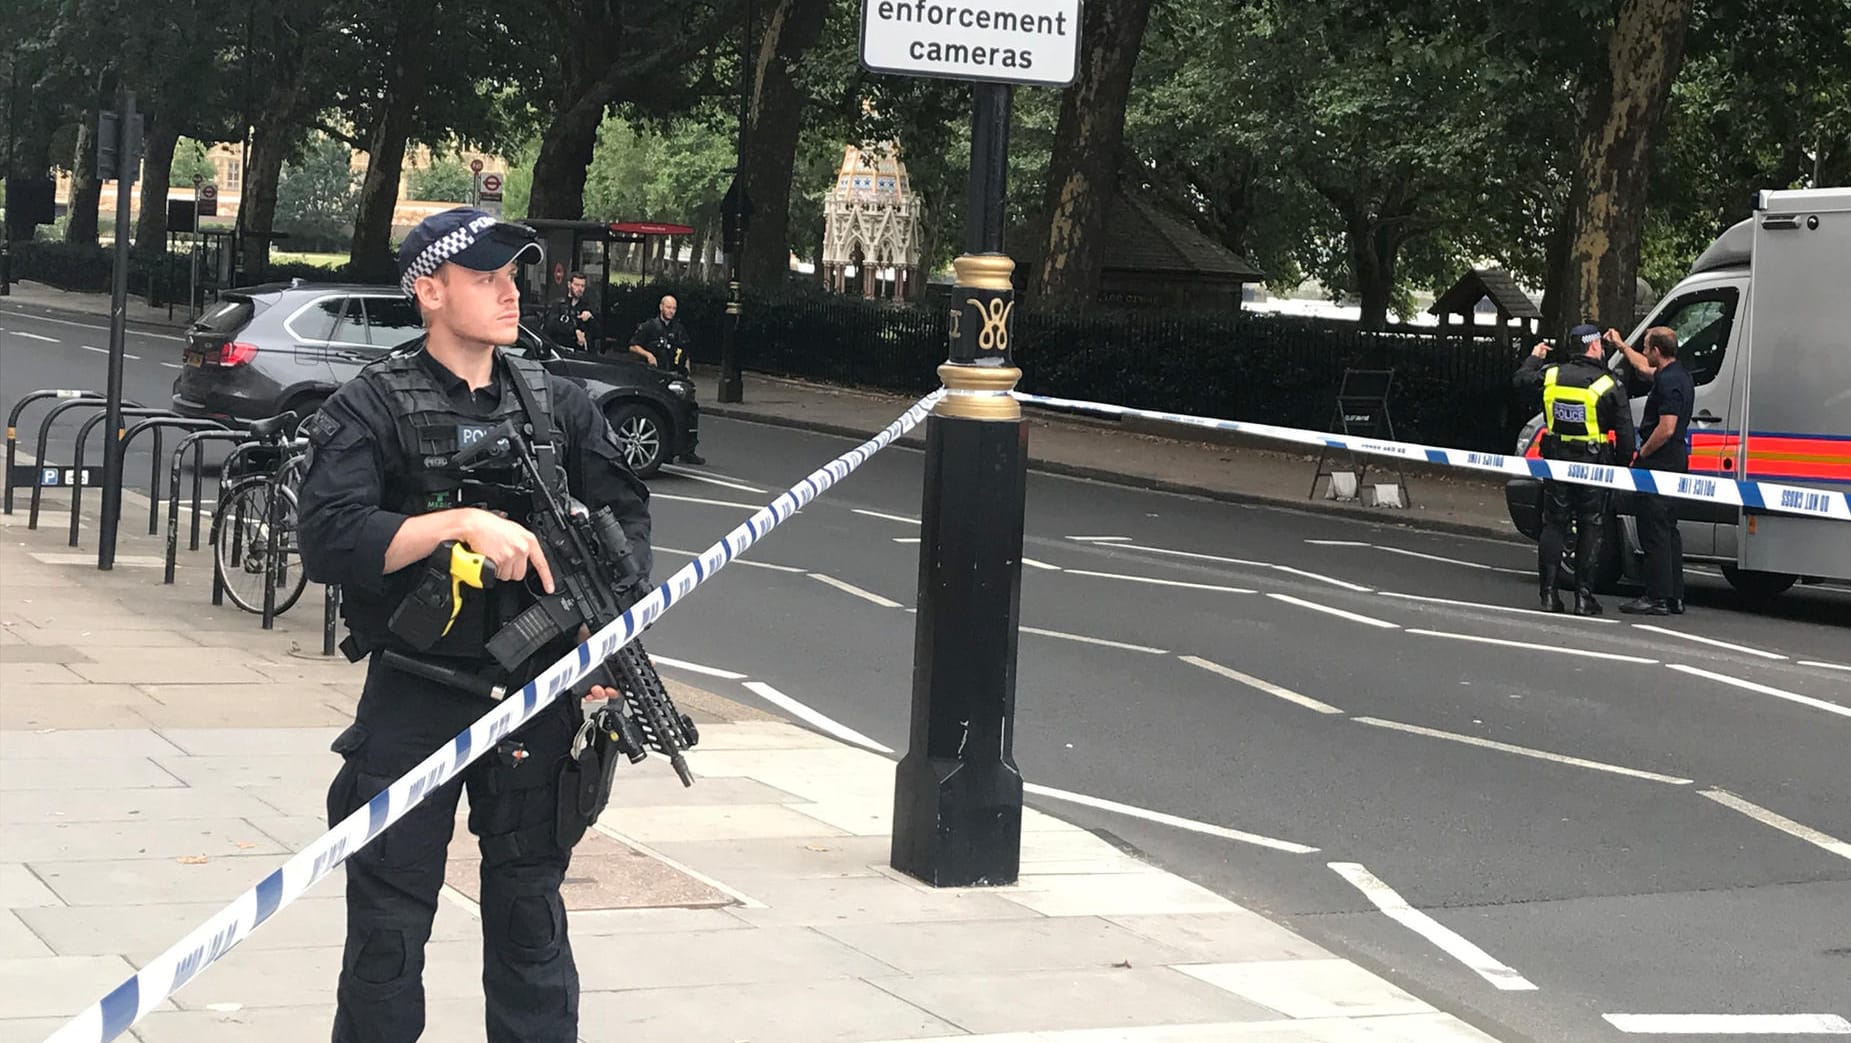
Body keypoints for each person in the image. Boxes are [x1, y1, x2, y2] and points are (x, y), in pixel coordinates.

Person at [297, 207, 652, 1043]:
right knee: (387, 928)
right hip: (419, 695)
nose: (508, 293)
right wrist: (453, 525)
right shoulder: (370, 406)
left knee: (531, 920)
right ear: (430, 291)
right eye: (485, 278)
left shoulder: (557, 403)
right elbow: (327, 536)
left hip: (539, 693)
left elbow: (626, 520)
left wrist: (607, 642)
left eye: (512, 277)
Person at [1513, 323, 1636, 614]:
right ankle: (1583, 597)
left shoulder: (1552, 375)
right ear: (1593, 346)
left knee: (1554, 524)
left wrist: (1534, 357)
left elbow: (1520, 381)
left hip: (1556, 463)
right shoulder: (1609, 383)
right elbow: (1627, 437)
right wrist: (1618, 467)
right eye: (1600, 345)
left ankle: (1548, 595)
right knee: (1591, 526)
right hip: (1593, 466)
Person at [1607, 325, 1694, 615]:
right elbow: (1644, 369)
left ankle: (1656, 596)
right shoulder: (1678, 374)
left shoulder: (1668, 383)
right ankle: (1674, 596)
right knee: (1669, 528)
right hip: (1676, 459)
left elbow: (1666, 428)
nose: (1644, 352)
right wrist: (1622, 346)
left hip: (1660, 460)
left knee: (1653, 527)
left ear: (1657, 350)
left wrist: (1641, 454)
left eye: (1646, 346)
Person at [628, 295, 705, 464]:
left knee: (689, 410)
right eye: (668, 307)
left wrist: (687, 375)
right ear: (661, 307)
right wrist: (648, 355)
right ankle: (663, 449)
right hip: (655, 376)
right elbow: (633, 346)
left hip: (674, 375)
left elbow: (685, 352)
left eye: (674, 308)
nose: (670, 311)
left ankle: (688, 450)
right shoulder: (650, 327)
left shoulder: (678, 329)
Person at [543, 271, 600, 352]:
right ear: (569, 285)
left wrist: (590, 319)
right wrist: (574, 331)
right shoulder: (558, 304)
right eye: (576, 285)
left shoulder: (587, 307)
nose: (580, 289)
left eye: (582, 286)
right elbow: (550, 326)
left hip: (580, 352)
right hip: (560, 350)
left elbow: (598, 333)